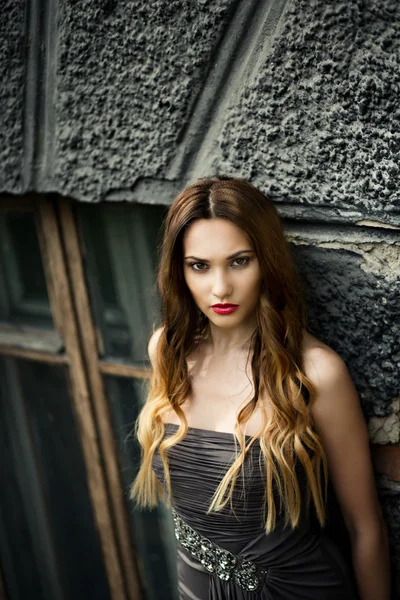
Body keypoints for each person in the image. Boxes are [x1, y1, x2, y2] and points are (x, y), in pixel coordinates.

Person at [130, 176, 390, 599]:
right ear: (179, 271)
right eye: (199, 265)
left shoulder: (316, 373)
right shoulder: (168, 350)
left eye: (238, 261)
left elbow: (365, 527)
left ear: (266, 261)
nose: (220, 288)